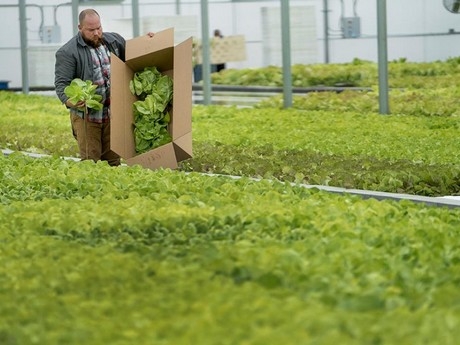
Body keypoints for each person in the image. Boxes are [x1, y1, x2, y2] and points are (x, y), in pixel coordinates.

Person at [54, 9, 153, 166]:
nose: (96, 33)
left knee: (113, 161)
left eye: (99, 28)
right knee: (90, 162)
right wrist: (69, 101)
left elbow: (135, 55)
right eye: (91, 30)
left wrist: (148, 41)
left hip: (112, 115)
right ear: (80, 28)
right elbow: (61, 84)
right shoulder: (67, 52)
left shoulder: (114, 41)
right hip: (87, 117)